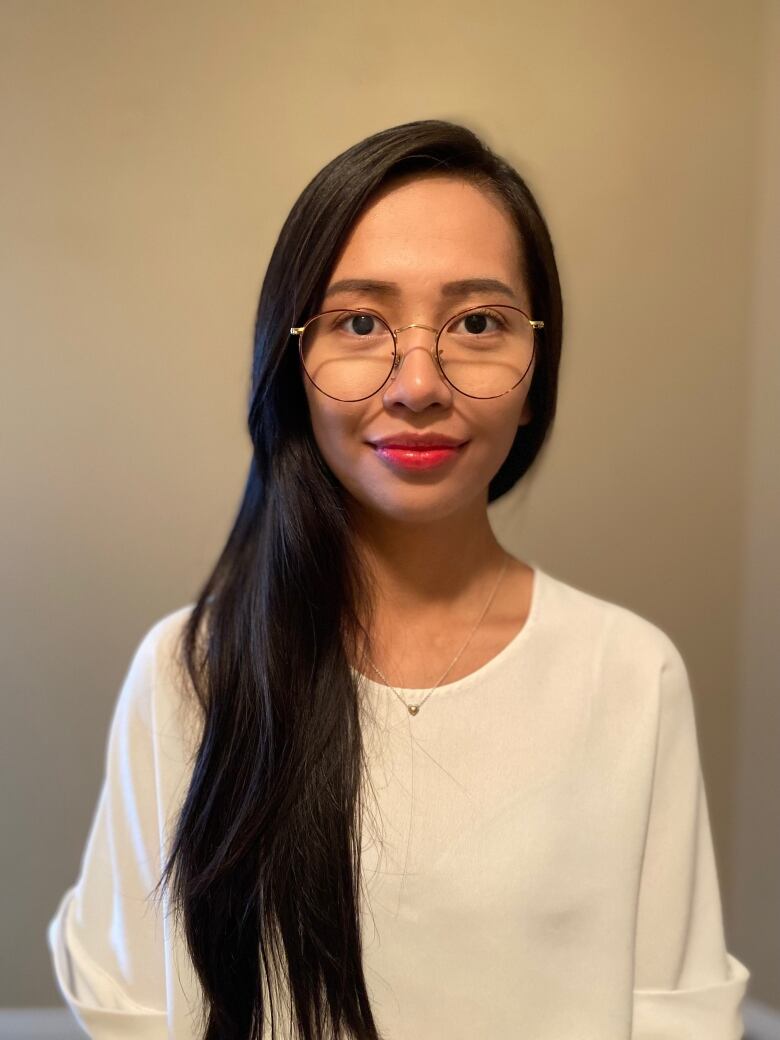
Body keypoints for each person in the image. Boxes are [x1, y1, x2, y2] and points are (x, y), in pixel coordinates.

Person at [46, 119, 751, 1040]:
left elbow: (675, 1018)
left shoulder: (629, 676)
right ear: (293, 360)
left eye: (479, 323)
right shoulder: (194, 671)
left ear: (536, 370)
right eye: (361, 322)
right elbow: (130, 1010)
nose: (418, 382)